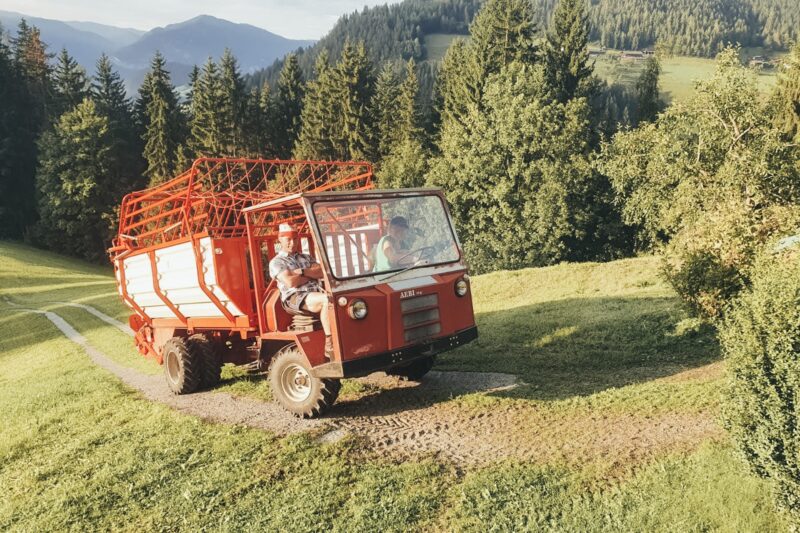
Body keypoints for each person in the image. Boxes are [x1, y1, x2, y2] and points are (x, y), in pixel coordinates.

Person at [268, 223, 333, 359]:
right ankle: (330, 343)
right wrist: (311, 275)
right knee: (326, 300)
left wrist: (302, 272)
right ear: (280, 239)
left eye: (295, 239)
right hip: (294, 297)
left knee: (338, 299)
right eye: (288, 240)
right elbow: (290, 282)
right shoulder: (277, 262)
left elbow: (322, 272)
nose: (292, 243)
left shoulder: (306, 257)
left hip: (314, 293)